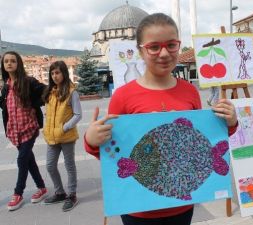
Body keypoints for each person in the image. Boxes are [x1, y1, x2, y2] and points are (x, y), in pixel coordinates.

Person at [84, 13, 238, 225]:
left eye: (171, 45)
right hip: (138, 210)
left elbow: (200, 137)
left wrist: (230, 123)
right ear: (141, 50)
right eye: (154, 47)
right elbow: (114, 153)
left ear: (178, 46)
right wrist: (92, 140)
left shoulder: (190, 91)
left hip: (181, 205)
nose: (164, 53)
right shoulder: (123, 96)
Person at [0, 51, 48, 211]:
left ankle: (18, 193)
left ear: (18, 64)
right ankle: (41, 188)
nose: (9, 63)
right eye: (6, 61)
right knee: (29, 160)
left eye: (13, 61)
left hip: (29, 126)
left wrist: (35, 104)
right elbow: (5, 107)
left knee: (21, 160)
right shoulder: (5, 86)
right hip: (14, 130)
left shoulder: (28, 81)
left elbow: (45, 90)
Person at [42, 61, 82, 212]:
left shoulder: (72, 92)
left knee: (69, 165)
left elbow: (78, 115)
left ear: (64, 73)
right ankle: (59, 192)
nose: (54, 76)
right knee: (50, 166)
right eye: (52, 73)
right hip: (51, 137)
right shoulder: (50, 92)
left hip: (66, 136)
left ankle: (71, 195)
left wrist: (64, 127)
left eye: (57, 73)